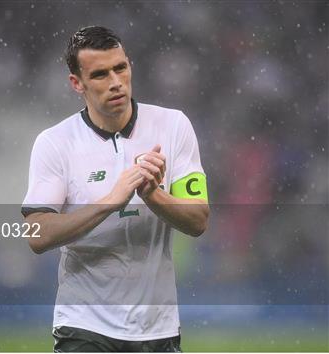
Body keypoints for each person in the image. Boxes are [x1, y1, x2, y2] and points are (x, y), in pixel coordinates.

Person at [22, 26, 209, 352]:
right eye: (99, 74)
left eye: (120, 68)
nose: (115, 82)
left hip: (157, 329)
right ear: (76, 83)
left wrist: (154, 196)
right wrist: (110, 202)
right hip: (84, 327)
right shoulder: (55, 143)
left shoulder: (174, 126)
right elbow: (37, 234)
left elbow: (198, 220)